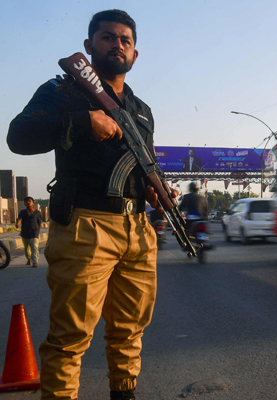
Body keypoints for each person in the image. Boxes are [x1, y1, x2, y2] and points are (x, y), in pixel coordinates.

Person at [6, 10, 176, 400]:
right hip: (86, 225)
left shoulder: (142, 110)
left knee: (130, 328)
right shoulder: (63, 91)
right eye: (108, 37)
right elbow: (19, 136)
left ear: (135, 54)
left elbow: (140, 162)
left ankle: (124, 393)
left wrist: (153, 190)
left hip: (137, 229)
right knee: (70, 336)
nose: (117, 44)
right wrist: (82, 122)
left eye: (125, 40)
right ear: (88, 46)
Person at [15, 196, 43, 267]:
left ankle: (35, 261)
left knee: (34, 246)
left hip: (34, 232)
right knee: (27, 248)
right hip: (25, 232)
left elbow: (40, 223)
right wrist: (18, 224)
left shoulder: (37, 212)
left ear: (33, 203)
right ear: (24, 204)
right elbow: (20, 219)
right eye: (26, 201)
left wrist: (38, 232)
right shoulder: (22, 212)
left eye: (29, 201)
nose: (28, 202)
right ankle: (29, 259)